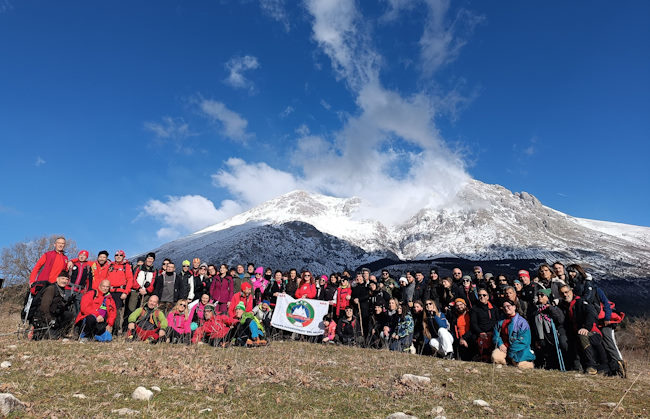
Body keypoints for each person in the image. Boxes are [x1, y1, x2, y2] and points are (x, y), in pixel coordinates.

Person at [559, 285, 609, 375]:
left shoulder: (580, 302)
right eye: (562, 293)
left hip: (592, 332)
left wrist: (586, 327)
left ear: (571, 291)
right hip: (578, 334)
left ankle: (592, 366)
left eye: (566, 292)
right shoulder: (565, 306)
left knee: (582, 336)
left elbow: (591, 313)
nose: (565, 295)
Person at [491, 300, 535, 369]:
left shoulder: (522, 322)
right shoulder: (500, 321)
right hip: (504, 348)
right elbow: (496, 334)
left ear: (514, 307)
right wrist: (500, 344)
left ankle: (515, 360)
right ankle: (508, 361)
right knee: (495, 357)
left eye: (508, 306)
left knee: (520, 365)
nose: (506, 308)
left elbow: (524, 340)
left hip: (518, 349)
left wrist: (510, 351)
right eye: (504, 307)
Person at [32, 270, 75, 340]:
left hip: (54, 316)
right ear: (57, 279)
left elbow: (58, 307)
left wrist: (68, 303)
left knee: (69, 314)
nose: (64, 281)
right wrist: (50, 320)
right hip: (44, 318)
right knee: (52, 337)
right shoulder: (51, 289)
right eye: (62, 278)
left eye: (66, 279)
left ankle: (61, 333)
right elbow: (44, 307)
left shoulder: (61, 290)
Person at [531, 289, 567, 370]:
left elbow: (560, 320)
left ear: (547, 297)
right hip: (542, 336)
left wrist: (550, 308)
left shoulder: (554, 308)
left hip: (552, 334)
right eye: (538, 295)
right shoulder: (536, 310)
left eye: (542, 295)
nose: (539, 297)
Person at [106, 250, 133, 335]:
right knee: (106, 310)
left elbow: (130, 280)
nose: (118, 256)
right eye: (116, 255)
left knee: (117, 312)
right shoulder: (110, 265)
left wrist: (126, 292)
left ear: (123, 257)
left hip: (120, 292)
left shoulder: (126, 266)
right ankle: (104, 330)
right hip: (109, 291)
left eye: (120, 255)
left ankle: (115, 331)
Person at [470, 288, 498, 362]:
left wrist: (493, 332)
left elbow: (496, 321)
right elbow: (474, 323)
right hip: (480, 332)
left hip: (492, 332)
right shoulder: (475, 309)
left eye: (484, 295)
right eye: (480, 295)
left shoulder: (493, 308)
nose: (482, 297)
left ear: (488, 297)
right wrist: (480, 332)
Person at [67, 250, 93, 316]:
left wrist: (88, 291)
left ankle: (75, 324)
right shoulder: (72, 264)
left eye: (84, 256)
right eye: (80, 255)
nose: (82, 257)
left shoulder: (88, 267)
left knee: (78, 309)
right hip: (69, 288)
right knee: (65, 305)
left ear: (86, 257)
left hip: (80, 291)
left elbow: (89, 281)